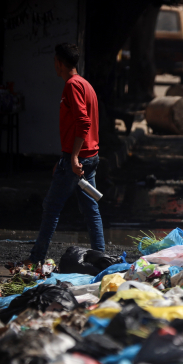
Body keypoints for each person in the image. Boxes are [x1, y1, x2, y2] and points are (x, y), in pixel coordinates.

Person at [26, 43, 103, 266]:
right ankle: (101, 257)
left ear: (59, 62)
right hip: (89, 156)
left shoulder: (72, 85)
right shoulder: (85, 84)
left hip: (79, 158)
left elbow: (83, 122)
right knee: (91, 209)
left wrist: (73, 157)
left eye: (55, 62)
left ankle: (36, 258)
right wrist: (67, 157)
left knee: (51, 207)